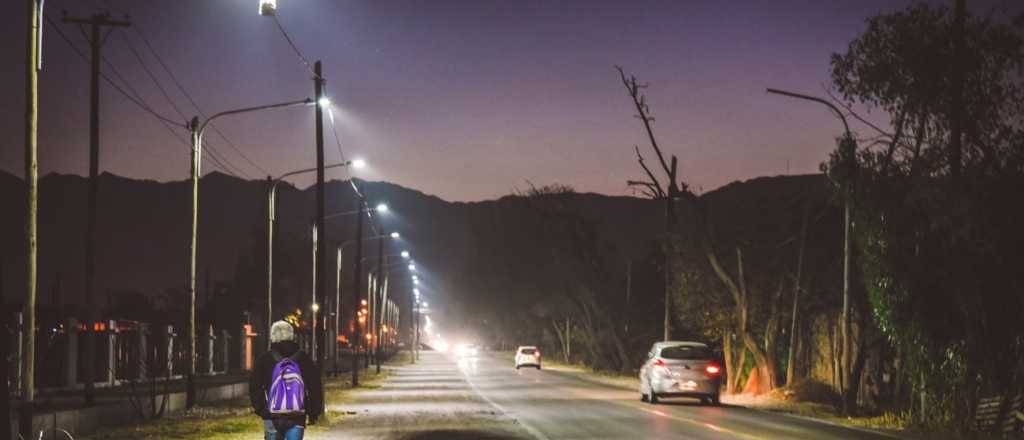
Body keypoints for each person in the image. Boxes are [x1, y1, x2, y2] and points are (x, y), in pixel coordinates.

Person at [250, 321, 324, 440]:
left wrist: (262, 409)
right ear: (291, 335)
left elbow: (254, 387)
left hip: (271, 415)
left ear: (272, 336)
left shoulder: (265, 359)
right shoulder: (303, 359)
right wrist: (313, 412)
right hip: (297, 416)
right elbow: (315, 387)